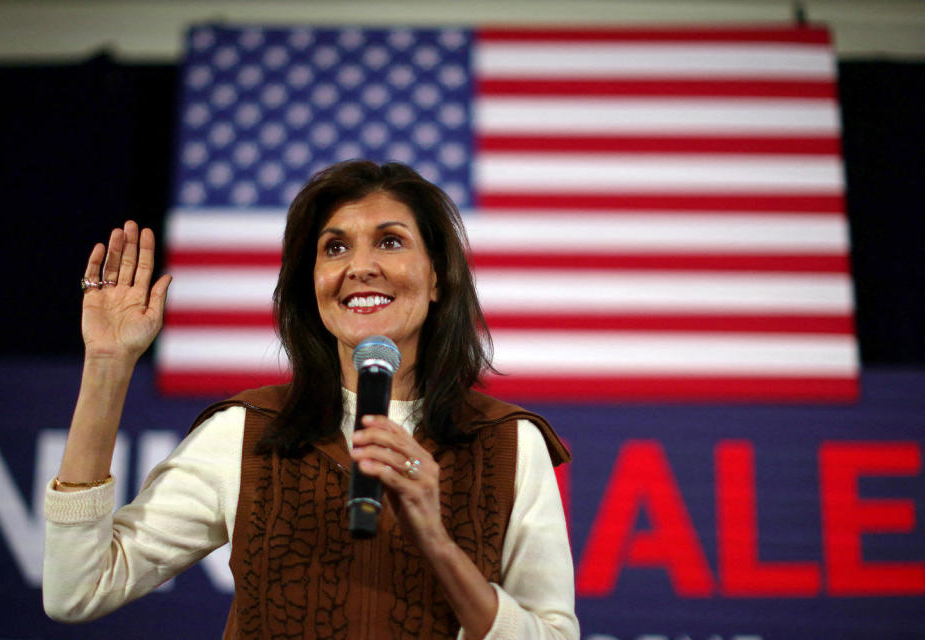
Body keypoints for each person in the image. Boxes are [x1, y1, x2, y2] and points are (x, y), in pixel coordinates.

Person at [43, 160, 579, 639]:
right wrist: (107, 366)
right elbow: (78, 590)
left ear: (437, 277)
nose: (359, 266)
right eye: (335, 247)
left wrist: (438, 544)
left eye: (390, 241)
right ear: (312, 283)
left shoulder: (509, 441)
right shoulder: (249, 432)